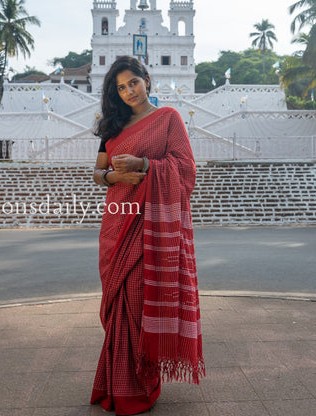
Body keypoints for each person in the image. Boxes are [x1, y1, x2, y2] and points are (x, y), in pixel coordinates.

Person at [90, 56, 205, 416]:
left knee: (139, 301)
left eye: (133, 83)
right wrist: (114, 178)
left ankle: (140, 386)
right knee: (117, 304)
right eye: (121, 87)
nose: (129, 92)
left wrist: (144, 167)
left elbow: (186, 169)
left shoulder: (168, 118)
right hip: (117, 222)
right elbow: (97, 173)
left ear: (147, 81)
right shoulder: (112, 127)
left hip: (151, 226)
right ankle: (114, 383)